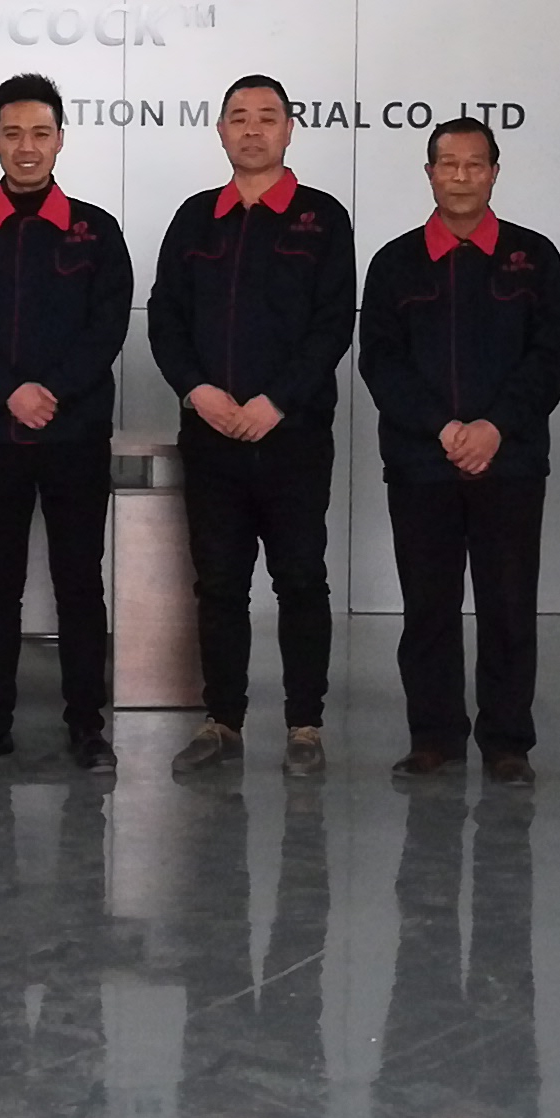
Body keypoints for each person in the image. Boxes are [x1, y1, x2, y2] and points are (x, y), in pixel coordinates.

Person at [146, 75, 355, 779]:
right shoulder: (195, 218)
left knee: (301, 581)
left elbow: (332, 323)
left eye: (267, 117)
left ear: (290, 129)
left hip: (292, 437)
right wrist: (197, 390)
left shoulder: (322, 218)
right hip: (210, 436)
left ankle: (305, 725)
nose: (253, 129)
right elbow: (166, 317)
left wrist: (278, 401)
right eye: (239, 117)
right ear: (221, 131)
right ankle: (221, 721)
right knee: (218, 585)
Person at [0, 70, 133, 772]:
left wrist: (51, 391)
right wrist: (8, 392)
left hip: (75, 435)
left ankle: (87, 727)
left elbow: (107, 327)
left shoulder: (96, 231)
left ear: (60, 140)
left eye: (40, 133)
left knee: (80, 582)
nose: (26, 146)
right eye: (13, 133)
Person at [356, 115, 560, 782]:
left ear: (495, 172)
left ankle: (508, 743)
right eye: (448, 164)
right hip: (421, 463)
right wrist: (443, 430)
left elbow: (547, 360)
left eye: (475, 164)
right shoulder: (394, 263)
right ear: (429, 174)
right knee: (428, 607)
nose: (461, 176)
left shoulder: (535, 257)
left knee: (509, 606)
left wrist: (494, 428)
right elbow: (381, 362)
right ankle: (435, 736)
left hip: (511, 461)